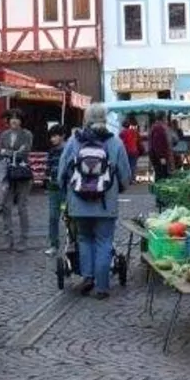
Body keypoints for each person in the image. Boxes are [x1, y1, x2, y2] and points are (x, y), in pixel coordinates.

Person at [57, 103, 133, 300]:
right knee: (104, 241)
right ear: (105, 119)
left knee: (84, 239)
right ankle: (102, 286)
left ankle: (87, 277)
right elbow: (125, 174)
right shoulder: (115, 142)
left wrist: (64, 190)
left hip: (78, 202)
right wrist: (118, 189)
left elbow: (62, 170)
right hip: (105, 203)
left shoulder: (75, 141)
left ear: (85, 119)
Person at [0, 111, 35, 251]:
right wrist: (11, 152)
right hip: (8, 174)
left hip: (22, 174)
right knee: (6, 207)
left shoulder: (27, 134)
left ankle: (23, 240)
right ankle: (8, 239)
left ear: (21, 121)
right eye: (12, 118)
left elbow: (24, 153)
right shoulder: (4, 135)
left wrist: (6, 152)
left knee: (21, 207)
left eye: (17, 118)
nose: (14, 121)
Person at [43, 123, 67, 256]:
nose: (52, 139)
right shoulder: (51, 151)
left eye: (55, 136)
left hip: (66, 188)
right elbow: (48, 168)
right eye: (51, 136)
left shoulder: (68, 149)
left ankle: (73, 242)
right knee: (53, 217)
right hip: (53, 188)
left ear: (62, 136)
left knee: (69, 216)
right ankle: (54, 245)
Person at [147, 115, 174, 181]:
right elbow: (159, 145)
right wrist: (162, 157)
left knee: (159, 173)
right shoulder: (159, 128)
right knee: (162, 174)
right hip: (160, 156)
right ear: (163, 118)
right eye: (165, 118)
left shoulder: (153, 127)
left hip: (155, 155)